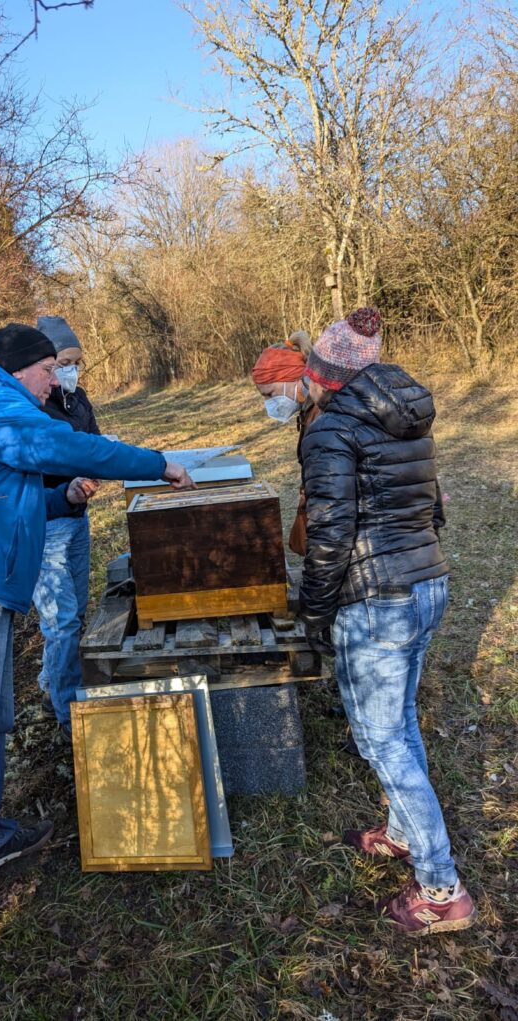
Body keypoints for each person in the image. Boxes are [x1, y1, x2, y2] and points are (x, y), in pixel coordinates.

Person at [0, 323, 194, 971]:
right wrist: (158, 463)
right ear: (23, 369)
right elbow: (80, 445)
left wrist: (62, 496)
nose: (57, 382)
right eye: (48, 373)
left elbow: (17, 494)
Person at [298, 308, 476, 935]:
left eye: (310, 371)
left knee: (380, 740)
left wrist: (314, 611)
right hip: (428, 581)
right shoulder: (407, 413)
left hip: (378, 597)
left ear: (324, 374)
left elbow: (329, 536)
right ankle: (403, 833)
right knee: (398, 722)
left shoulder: (330, 431)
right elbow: (431, 504)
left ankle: (441, 888)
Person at [32, 316, 99, 740]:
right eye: (64, 362)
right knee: (62, 623)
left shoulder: (80, 399)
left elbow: (92, 443)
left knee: (73, 613)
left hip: (78, 519)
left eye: (77, 362)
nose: (72, 371)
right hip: (49, 524)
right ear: (47, 365)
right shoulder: (35, 406)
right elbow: (39, 466)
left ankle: (50, 682)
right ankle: (67, 713)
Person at [251, 329, 316, 555]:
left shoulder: (321, 412)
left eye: (269, 394)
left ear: (292, 379)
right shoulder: (310, 409)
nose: (269, 402)